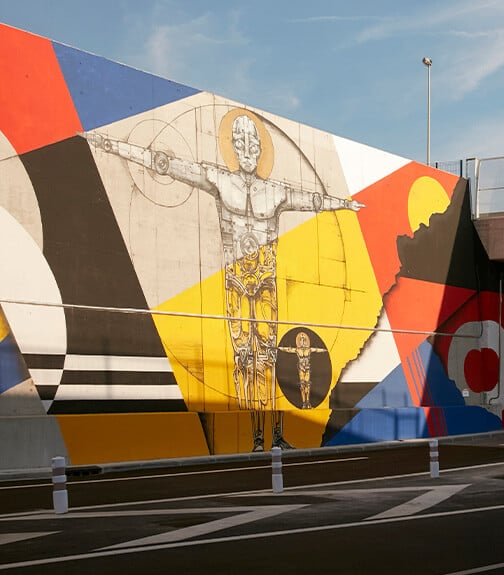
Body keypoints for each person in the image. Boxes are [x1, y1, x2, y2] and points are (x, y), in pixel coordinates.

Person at [84, 111, 363, 451]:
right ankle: (258, 438)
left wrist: (345, 204)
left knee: (269, 357)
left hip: (265, 279)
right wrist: (113, 145)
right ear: (231, 146)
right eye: (240, 142)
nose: (247, 149)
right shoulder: (218, 179)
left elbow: (315, 201)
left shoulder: (275, 192)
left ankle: (275, 435)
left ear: (261, 149)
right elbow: (167, 165)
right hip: (236, 279)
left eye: (252, 143)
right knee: (243, 356)